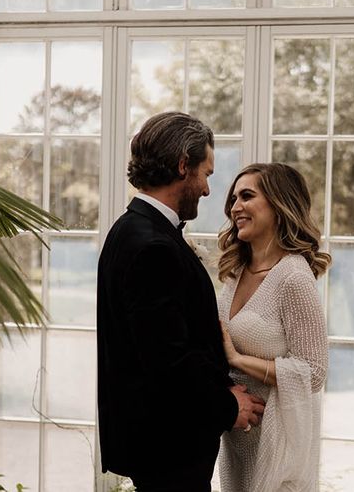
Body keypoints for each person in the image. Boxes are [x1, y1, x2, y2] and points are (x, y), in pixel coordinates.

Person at [97, 112, 265, 492]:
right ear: (182, 165)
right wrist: (228, 407)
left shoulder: (130, 230)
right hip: (168, 448)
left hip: (157, 446)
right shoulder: (153, 245)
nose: (208, 190)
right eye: (206, 173)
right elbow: (168, 360)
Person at [217, 162, 331, 492]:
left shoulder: (293, 277)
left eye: (247, 196)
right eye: (234, 198)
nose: (235, 207)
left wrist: (238, 360)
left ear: (279, 204)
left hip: (278, 443)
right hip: (237, 443)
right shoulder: (236, 272)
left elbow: (314, 372)